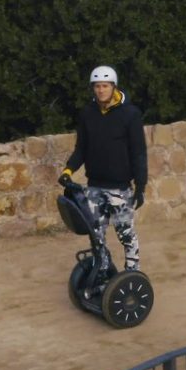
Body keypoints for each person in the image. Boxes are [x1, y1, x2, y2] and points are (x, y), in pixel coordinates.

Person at [59, 65, 148, 272]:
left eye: (105, 86)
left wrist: (140, 186)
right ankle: (103, 268)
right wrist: (68, 171)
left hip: (120, 188)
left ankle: (132, 272)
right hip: (94, 187)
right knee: (96, 233)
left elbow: (138, 153)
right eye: (97, 86)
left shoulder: (130, 114)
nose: (101, 90)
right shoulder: (87, 114)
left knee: (125, 233)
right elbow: (81, 148)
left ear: (113, 87)